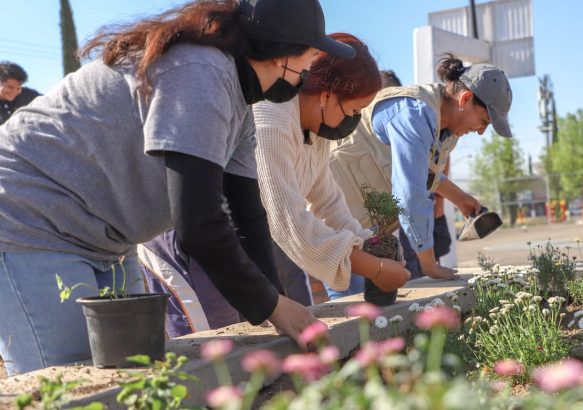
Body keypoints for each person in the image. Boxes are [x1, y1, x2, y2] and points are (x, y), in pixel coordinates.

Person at [0, 0, 354, 376]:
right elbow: (199, 225)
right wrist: (270, 306)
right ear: (281, 49)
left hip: (108, 241)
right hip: (29, 220)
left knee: (134, 376)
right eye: (309, 58)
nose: (308, 71)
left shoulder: (240, 103)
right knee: (70, 385)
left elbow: (246, 215)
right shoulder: (200, 71)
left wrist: (278, 302)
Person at [141, 33, 410, 337]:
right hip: (193, 239)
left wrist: (368, 245)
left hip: (238, 243)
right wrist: (374, 269)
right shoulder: (272, 117)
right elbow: (288, 221)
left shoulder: (314, 129)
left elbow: (328, 201)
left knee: (261, 340)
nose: (354, 121)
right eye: (353, 112)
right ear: (326, 96)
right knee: (215, 348)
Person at [331, 54, 513, 281]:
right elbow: (410, 195)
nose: (481, 131)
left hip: (362, 232)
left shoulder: (445, 125)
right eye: (484, 121)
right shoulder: (415, 114)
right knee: (357, 311)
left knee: (375, 310)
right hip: (336, 227)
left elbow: (423, 173)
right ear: (465, 100)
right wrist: (430, 266)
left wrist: (460, 198)